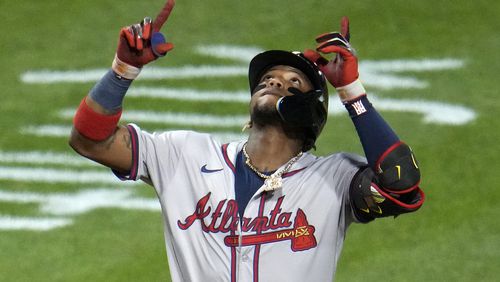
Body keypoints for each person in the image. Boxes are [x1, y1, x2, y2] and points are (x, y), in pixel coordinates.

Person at [69, 0, 424, 281]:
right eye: (268, 78)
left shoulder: (335, 178)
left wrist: (351, 92)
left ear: (311, 112)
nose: (274, 82)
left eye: (293, 83)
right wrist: (122, 71)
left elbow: (400, 181)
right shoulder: (184, 156)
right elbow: (89, 140)